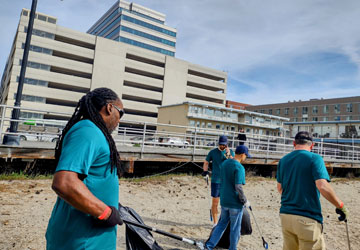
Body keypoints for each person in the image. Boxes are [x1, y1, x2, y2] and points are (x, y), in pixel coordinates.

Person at [46, 88, 125, 250]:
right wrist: (106, 212)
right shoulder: (88, 131)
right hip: (82, 240)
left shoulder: (94, 132)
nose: (119, 121)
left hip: (90, 238)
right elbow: (65, 183)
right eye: (121, 113)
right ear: (110, 108)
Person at [276, 131, 348, 250]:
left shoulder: (283, 160)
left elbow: (280, 188)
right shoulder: (315, 158)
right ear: (312, 145)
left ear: (294, 143)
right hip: (307, 217)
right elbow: (322, 186)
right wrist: (340, 205)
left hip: (286, 216)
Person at [205, 145, 251, 250]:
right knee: (235, 229)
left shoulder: (225, 163)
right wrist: (245, 201)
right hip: (235, 203)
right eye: (246, 156)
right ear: (243, 154)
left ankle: (209, 245)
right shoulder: (239, 167)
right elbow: (238, 187)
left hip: (224, 201)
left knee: (221, 225)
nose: (246, 158)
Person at [202, 135, 235, 225]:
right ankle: (215, 223)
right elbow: (206, 162)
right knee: (215, 202)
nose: (222, 146)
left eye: (224, 145)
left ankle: (224, 221)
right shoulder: (213, 152)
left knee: (226, 204)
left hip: (227, 181)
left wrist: (228, 154)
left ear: (227, 145)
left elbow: (234, 163)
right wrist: (205, 172)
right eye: (221, 144)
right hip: (216, 180)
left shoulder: (230, 152)